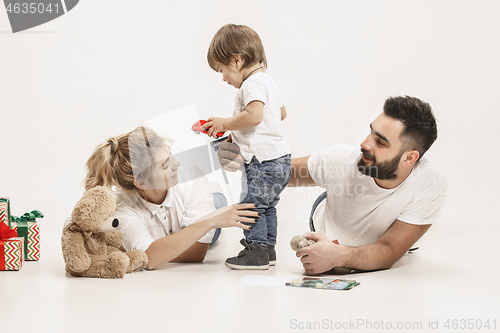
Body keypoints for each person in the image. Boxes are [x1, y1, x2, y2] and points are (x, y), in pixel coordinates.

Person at [218, 96, 447, 274]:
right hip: (328, 218)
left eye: (380, 142)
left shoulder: (430, 183)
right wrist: (240, 159)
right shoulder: (342, 159)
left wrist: (340, 256)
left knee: (396, 246)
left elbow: (389, 250)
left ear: (410, 158)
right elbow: (279, 174)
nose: (364, 143)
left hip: (386, 233)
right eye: (371, 132)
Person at [84, 126, 258, 270]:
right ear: (142, 183)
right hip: (199, 221)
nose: (176, 164)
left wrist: (159, 250)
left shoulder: (192, 177)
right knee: (211, 220)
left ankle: (215, 196)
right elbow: (150, 259)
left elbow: (198, 253)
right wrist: (209, 221)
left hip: (198, 202)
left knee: (218, 205)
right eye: (165, 165)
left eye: (171, 156)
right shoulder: (122, 209)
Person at [203, 24, 291, 270]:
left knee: (249, 206)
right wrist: (239, 134)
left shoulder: (250, 84)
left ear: (237, 61)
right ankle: (268, 249)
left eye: (222, 70)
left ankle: (256, 252)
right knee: (266, 206)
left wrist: (226, 123)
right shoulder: (268, 82)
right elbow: (280, 114)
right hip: (281, 160)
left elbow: (254, 116)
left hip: (262, 163)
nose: (223, 78)